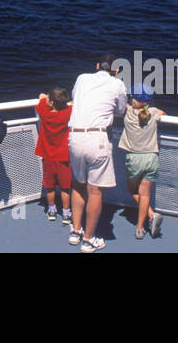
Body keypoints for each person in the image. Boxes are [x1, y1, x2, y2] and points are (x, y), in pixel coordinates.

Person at [67, 53, 129, 252]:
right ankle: (88, 239)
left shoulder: (82, 78)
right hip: (98, 139)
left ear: (96, 66)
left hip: (75, 136)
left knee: (78, 185)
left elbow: (75, 97)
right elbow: (120, 111)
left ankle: (75, 232)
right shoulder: (118, 85)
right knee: (95, 191)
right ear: (117, 71)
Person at [120, 84, 165, 239]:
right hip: (152, 158)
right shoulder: (153, 113)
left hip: (134, 158)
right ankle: (140, 227)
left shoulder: (128, 113)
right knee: (145, 194)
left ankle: (152, 216)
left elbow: (121, 105)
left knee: (133, 190)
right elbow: (162, 113)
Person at [35, 86, 73, 224]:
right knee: (65, 188)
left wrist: (46, 96)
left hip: (48, 157)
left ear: (51, 103)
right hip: (64, 157)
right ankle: (66, 212)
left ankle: (51, 210)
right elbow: (72, 105)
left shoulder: (45, 111)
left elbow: (41, 96)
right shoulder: (69, 112)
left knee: (49, 186)